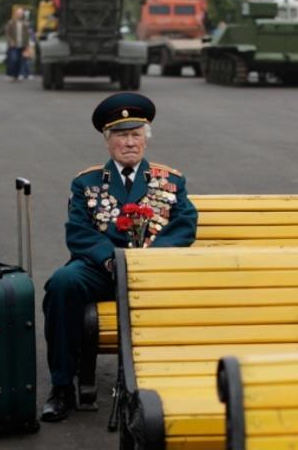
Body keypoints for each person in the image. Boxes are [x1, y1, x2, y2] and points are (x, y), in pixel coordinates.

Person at [40, 92, 198, 422]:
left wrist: (151, 258)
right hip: (103, 269)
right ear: (107, 140)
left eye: (136, 135)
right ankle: (62, 387)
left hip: (153, 272)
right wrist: (109, 259)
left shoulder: (169, 180)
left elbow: (185, 224)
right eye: (122, 135)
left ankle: (181, 384)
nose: (130, 143)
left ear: (145, 139)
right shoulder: (87, 182)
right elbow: (79, 231)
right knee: (61, 284)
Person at [5, 7, 28, 82]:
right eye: (18, 14)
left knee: (19, 61)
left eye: (21, 14)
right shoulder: (11, 23)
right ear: (15, 14)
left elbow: (27, 35)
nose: (20, 15)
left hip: (21, 45)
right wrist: (11, 41)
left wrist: (27, 45)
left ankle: (16, 76)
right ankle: (11, 75)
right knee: (13, 59)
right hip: (13, 45)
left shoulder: (24, 23)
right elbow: (7, 34)